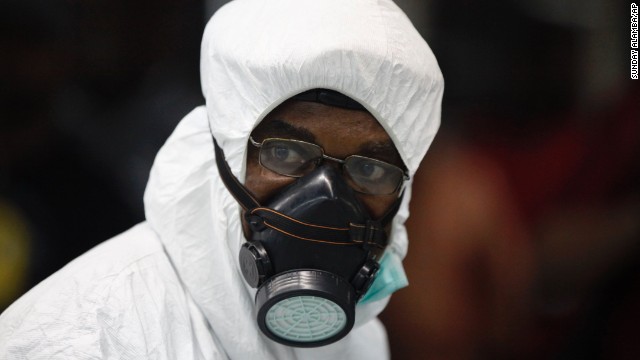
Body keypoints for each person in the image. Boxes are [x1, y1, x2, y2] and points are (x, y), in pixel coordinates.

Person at [0, 0, 443, 358]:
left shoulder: (359, 344)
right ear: (225, 152)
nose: (327, 198)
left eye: (369, 169)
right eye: (285, 153)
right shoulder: (87, 336)